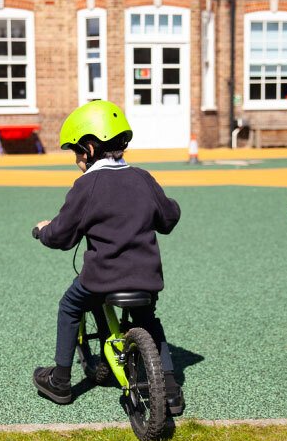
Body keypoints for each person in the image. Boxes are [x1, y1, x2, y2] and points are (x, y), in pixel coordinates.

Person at [32, 100, 184, 415]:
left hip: (101, 278)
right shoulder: (143, 178)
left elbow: (62, 235)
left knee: (70, 306)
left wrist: (42, 231)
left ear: (89, 147)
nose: (75, 160)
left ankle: (60, 379)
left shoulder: (87, 185)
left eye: (76, 152)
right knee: (148, 320)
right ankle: (170, 388)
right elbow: (168, 219)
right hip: (146, 276)